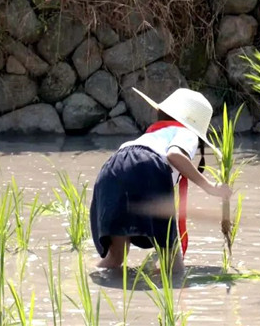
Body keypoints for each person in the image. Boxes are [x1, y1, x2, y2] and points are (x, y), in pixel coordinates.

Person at [90, 87, 232, 273]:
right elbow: (174, 155)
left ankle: (88, 279)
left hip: (110, 169)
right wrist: (210, 187)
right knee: (173, 265)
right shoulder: (187, 133)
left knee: (116, 256)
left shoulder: (150, 135)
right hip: (146, 168)